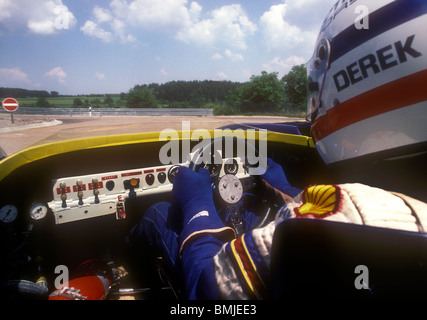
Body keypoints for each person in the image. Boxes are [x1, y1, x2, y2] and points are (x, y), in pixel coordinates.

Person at [127, 0, 427, 299]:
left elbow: (209, 292)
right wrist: (287, 187)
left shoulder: (347, 214)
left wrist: (197, 207)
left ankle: (122, 271)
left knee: (159, 212)